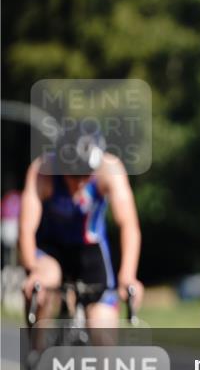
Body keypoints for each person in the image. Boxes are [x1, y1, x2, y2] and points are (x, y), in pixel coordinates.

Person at [20, 122, 144, 329]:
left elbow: (128, 224)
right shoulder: (43, 171)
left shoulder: (110, 170)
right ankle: (37, 352)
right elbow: (25, 228)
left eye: (85, 175)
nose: (79, 183)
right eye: (72, 175)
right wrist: (32, 270)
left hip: (90, 251)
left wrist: (128, 276)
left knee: (102, 330)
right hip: (49, 250)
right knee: (45, 282)